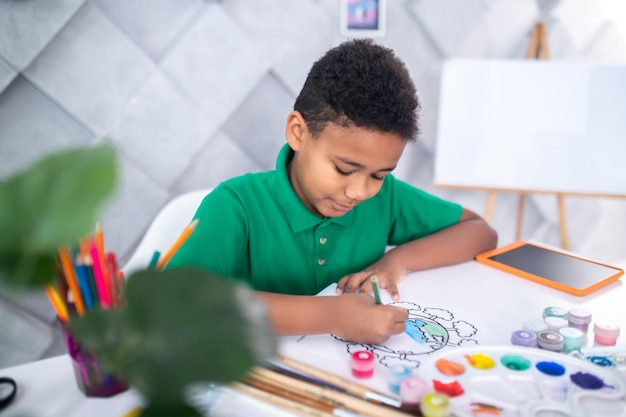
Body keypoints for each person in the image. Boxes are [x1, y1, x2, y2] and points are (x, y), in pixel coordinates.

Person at [167, 39, 497, 344]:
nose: (359, 191)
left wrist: (395, 261)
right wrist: (332, 314)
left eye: (379, 175)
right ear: (298, 132)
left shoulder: (386, 197)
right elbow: (175, 302)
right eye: (343, 169)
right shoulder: (235, 205)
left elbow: (479, 232)